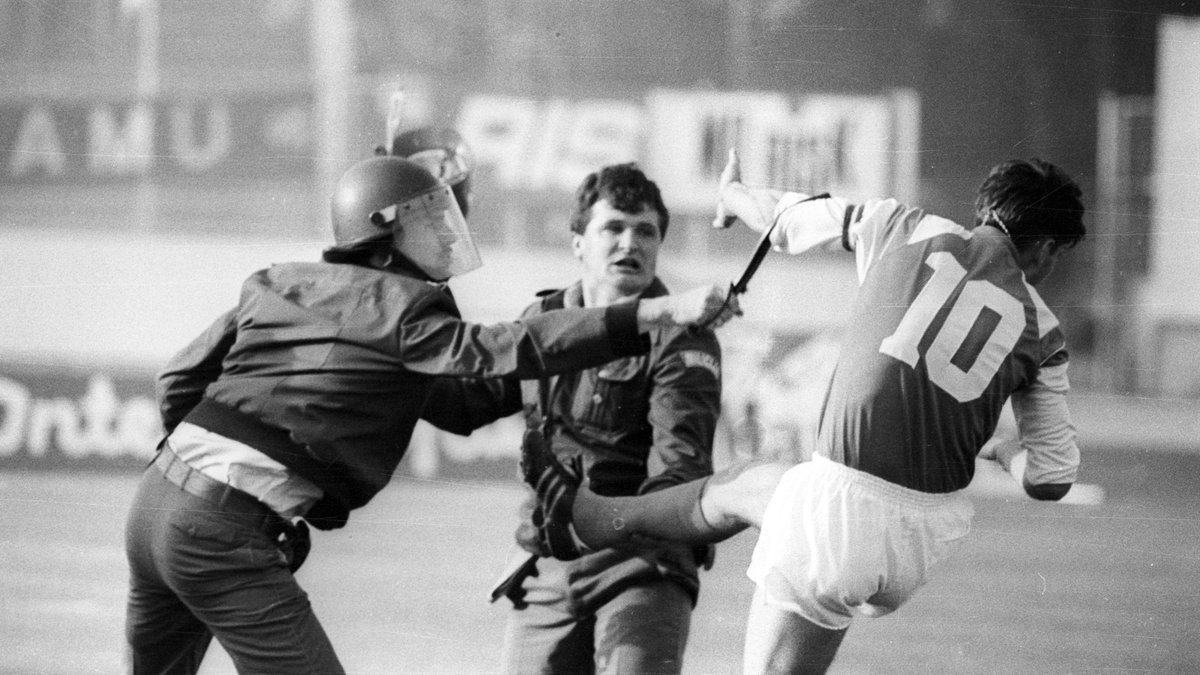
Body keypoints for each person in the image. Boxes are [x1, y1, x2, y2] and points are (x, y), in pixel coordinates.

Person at [122, 154, 738, 674]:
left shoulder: (277, 280)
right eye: (427, 221)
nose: (447, 233)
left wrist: (197, 477)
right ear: (384, 230)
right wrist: (655, 313)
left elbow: (177, 380)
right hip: (223, 531)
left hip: (153, 506)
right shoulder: (407, 309)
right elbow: (498, 352)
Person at [525, 149, 1087, 673]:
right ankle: (601, 517)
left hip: (837, 517)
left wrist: (734, 196)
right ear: (1047, 249)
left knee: (757, 501)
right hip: (920, 539)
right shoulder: (1047, 333)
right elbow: (1051, 479)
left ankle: (597, 517)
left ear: (986, 209)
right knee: (749, 486)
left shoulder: (904, 227)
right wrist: (999, 446)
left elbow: (787, 219)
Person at [424, 163, 722, 674]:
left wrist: (602, 522)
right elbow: (465, 407)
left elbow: (681, 470)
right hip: (547, 566)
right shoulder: (542, 319)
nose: (631, 242)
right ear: (578, 242)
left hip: (643, 565)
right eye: (613, 228)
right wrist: (399, 344)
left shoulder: (684, 336)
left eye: (645, 231)